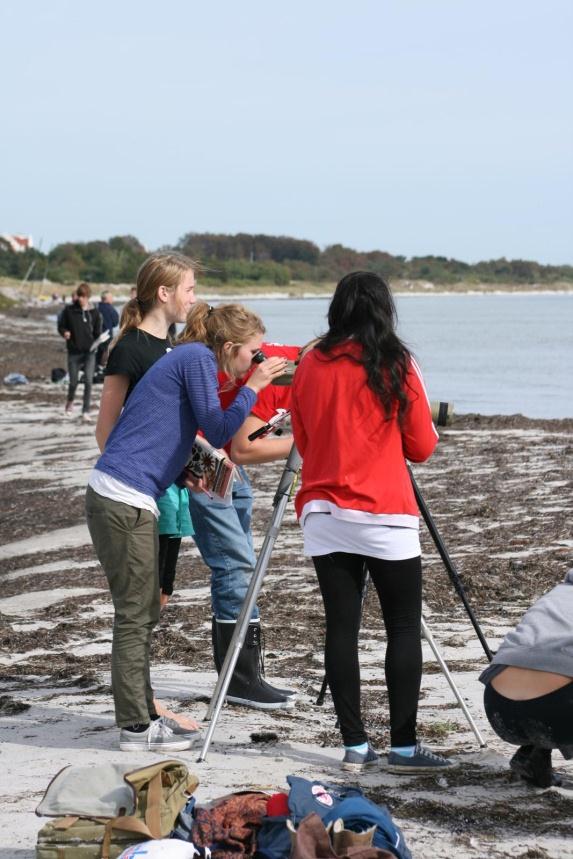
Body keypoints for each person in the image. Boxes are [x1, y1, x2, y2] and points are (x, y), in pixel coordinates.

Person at [86, 300, 287, 752]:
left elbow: (159, 428)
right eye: (254, 354)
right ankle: (136, 728)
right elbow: (217, 428)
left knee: (141, 613)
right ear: (231, 347)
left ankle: (142, 716)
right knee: (136, 615)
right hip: (123, 498)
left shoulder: (185, 357)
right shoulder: (196, 356)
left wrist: (185, 470)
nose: (256, 363)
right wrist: (253, 387)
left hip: (125, 494)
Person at [290, 270, 454, 774]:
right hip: (385, 512)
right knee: (402, 627)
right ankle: (403, 748)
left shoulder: (310, 363)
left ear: (337, 309)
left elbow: (303, 436)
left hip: (323, 510)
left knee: (341, 627)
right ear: (384, 311)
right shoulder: (396, 362)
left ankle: (355, 746)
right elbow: (422, 447)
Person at [187, 341, 300, 710]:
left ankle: (245, 675)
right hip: (205, 461)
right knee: (235, 565)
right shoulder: (280, 372)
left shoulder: (296, 365)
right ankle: (239, 680)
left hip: (223, 466)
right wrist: (308, 442)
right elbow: (244, 447)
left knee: (237, 565)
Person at [480, 569, 573, 788]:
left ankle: (535, 759)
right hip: (556, 712)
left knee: (554, 669)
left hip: (498, 707)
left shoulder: (557, 595)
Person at [58, 282, 102, 422]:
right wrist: (64, 332)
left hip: (89, 353)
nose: (81, 299)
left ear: (88, 297)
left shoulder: (95, 313)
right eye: (79, 296)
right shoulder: (69, 311)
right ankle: (70, 402)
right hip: (74, 352)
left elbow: (98, 332)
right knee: (73, 382)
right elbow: (61, 325)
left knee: (89, 381)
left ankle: (85, 410)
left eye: (83, 296)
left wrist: (99, 341)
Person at [96, 290, 119, 367]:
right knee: (106, 354)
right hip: (107, 335)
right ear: (106, 299)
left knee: (98, 354)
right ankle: (102, 368)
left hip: (96, 335)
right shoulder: (110, 309)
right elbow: (116, 322)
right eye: (111, 298)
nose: (112, 300)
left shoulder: (96, 308)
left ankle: (97, 368)